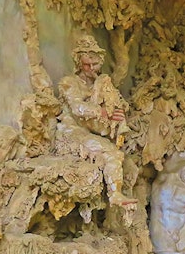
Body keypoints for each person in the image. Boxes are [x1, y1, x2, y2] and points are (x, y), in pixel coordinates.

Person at [55, 36, 134, 207]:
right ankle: (115, 195)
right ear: (78, 63)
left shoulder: (101, 84)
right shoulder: (69, 82)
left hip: (89, 131)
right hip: (70, 133)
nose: (91, 68)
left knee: (117, 153)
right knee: (112, 154)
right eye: (86, 65)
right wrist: (105, 113)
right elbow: (77, 108)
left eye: (95, 64)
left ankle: (116, 194)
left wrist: (116, 113)